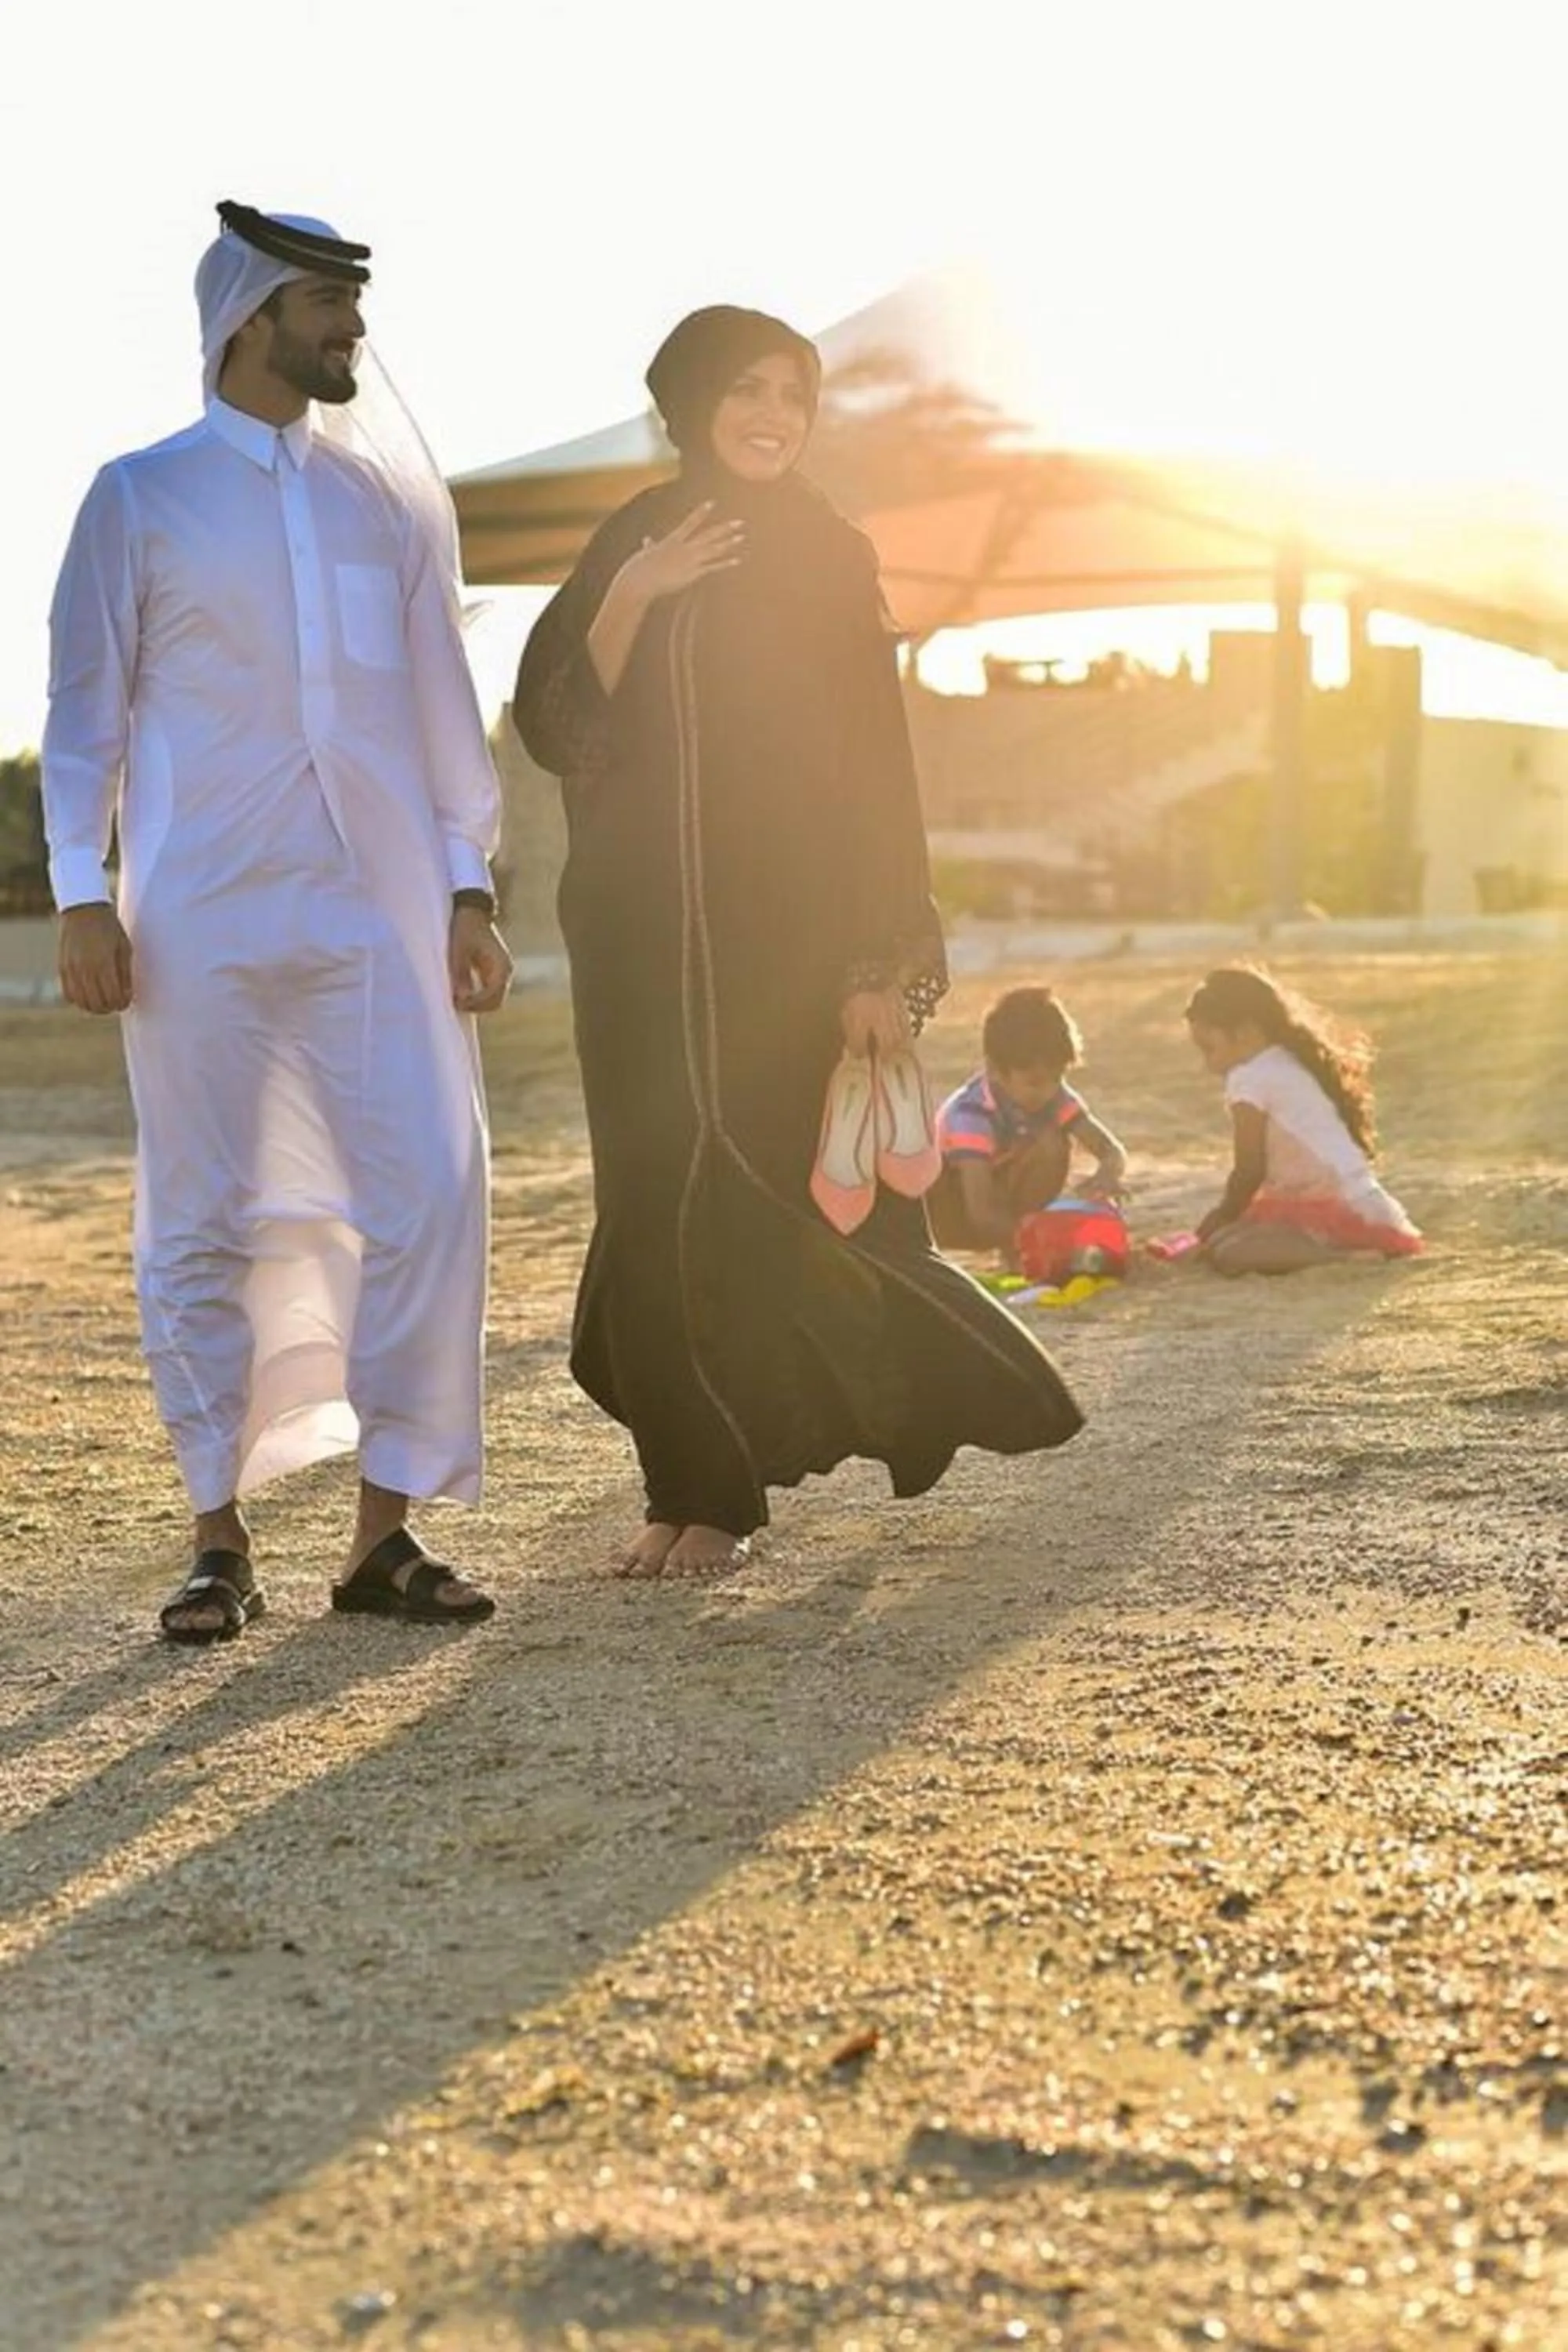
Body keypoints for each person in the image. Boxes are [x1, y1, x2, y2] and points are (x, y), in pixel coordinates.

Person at [512, 304, 1083, 1578]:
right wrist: (636, 598)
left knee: (773, 1207)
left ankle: (734, 1491)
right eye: (746, 391)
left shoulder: (828, 555)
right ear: (688, 402)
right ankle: (685, 1484)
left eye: (794, 394)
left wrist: (878, 966)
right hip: (637, 946)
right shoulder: (632, 536)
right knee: (657, 1210)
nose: (773, 416)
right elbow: (556, 726)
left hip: (786, 952)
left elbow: (873, 774)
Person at [43, 201, 514, 1642]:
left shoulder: (381, 503)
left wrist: (469, 881)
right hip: (199, 914)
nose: (351, 328)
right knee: (202, 1218)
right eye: (326, 303)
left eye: (351, 305)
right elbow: (84, 712)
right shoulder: (140, 494)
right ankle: (215, 1536)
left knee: (434, 1186)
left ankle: (386, 1535)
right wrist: (78, 889)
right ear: (250, 314)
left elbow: (440, 703)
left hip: (379, 907)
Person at [1185, 965, 1421, 1274]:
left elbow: (1249, 1170)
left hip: (1338, 1209)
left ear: (1245, 1032)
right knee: (1224, 1243)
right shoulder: (1287, 1059)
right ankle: (1329, 1249)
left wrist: (1221, 1215)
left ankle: (1344, 1259)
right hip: (1359, 1203)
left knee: (1231, 1253)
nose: (1208, 1065)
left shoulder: (1249, 1078)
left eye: (1209, 1049)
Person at [930, 985, 1128, 1259]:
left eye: (1056, 1077)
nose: (1047, 1092)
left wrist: (1105, 1177)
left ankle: (1020, 1241)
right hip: (952, 1213)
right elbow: (980, 1212)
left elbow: (1110, 1151)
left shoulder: (1052, 1096)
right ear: (996, 1071)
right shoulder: (970, 1115)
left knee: (1053, 1144)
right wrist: (1041, 1242)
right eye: (1034, 1083)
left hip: (998, 1199)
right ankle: (1019, 1244)